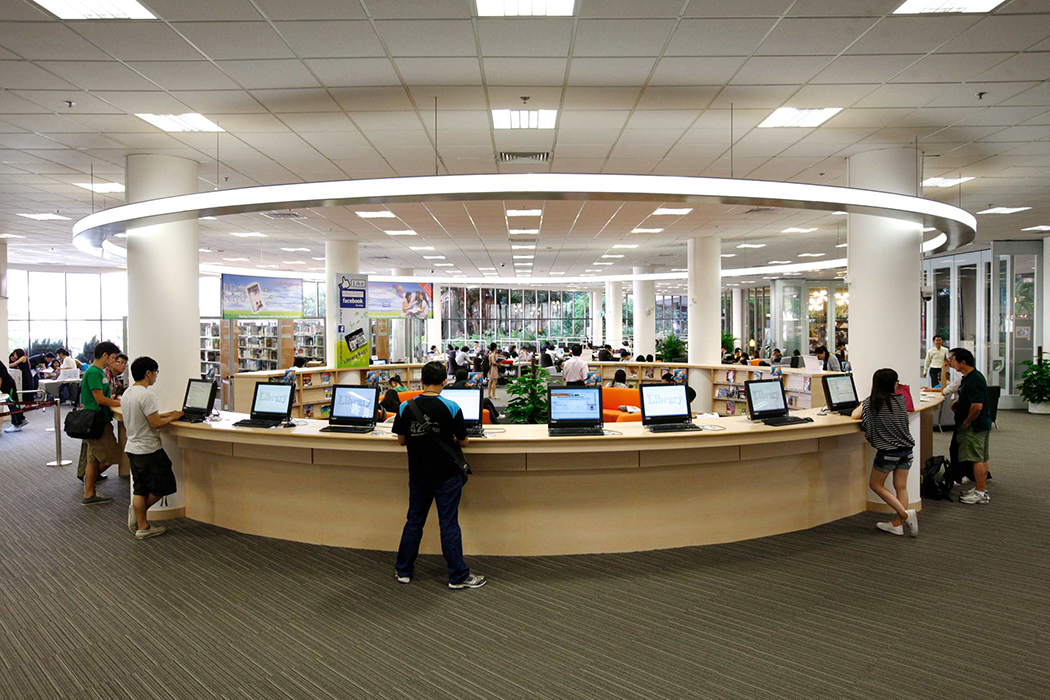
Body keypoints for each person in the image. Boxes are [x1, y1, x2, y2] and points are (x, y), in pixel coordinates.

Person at [392, 361, 486, 590]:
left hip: (418, 474)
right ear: (445, 381)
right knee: (449, 523)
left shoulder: (405, 407)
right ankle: (458, 576)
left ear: (421, 381)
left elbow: (401, 440)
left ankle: (403, 570)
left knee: (414, 521)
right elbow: (464, 441)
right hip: (447, 476)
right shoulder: (452, 407)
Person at [121, 356, 183, 539]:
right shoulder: (147, 395)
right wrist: (175, 416)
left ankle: (142, 525)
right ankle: (139, 515)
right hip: (149, 449)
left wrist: (167, 414)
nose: (156, 375)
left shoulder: (128, 393)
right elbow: (155, 423)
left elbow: (145, 416)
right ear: (148, 373)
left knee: (140, 488)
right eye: (156, 372)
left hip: (133, 447)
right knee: (165, 485)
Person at [851, 368, 917, 537]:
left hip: (889, 452)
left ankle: (904, 515)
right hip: (907, 450)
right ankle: (897, 524)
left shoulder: (871, 404)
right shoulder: (901, 400)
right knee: (901, 487)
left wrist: (862, 403)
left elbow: (855, 415)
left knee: (875, 485)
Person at [79, 341, 122, 506]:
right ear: (105, 355)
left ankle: (89, 492)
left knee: (93, 459)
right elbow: (99, 398)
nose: (113, 361)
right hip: (96, 421)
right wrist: (121, 403)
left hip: (96, 419)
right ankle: (89, 485)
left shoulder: (96, 372)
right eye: (113, 357)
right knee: (110, 456)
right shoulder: (94, 373)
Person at [950, 348, 992, 505]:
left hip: (975, 426)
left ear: (963, 362)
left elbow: (977, 407)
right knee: (980, 457)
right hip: (980, 423)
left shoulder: (974, 379)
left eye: (953, 359)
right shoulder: (969, 377)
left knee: (976, 459)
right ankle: (980, 489)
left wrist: (967, 422)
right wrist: (959, 403)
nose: (951, 362)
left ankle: (980, 493)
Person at [1, 362, 27, 433]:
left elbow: (0, 379)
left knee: (13, 404)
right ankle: (22, 419)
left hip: (8, 386)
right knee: (14, 403)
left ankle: (17, 424)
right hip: (6, 386)